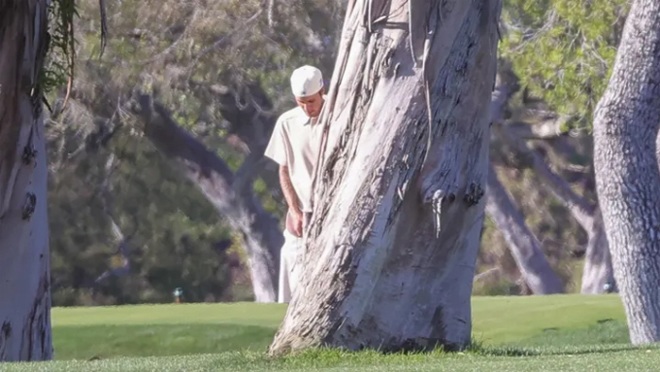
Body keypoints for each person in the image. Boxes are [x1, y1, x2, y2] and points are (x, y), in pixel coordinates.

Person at [264, 65, 326, 303]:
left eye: (311, 101)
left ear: (322, 91)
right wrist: (294, 209)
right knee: (292, 260)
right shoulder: (286, 122)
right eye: (301, 102)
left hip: (335, 207)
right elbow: (284, 169)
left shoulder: (343, 112)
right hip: (303, 209)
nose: (307, 108)